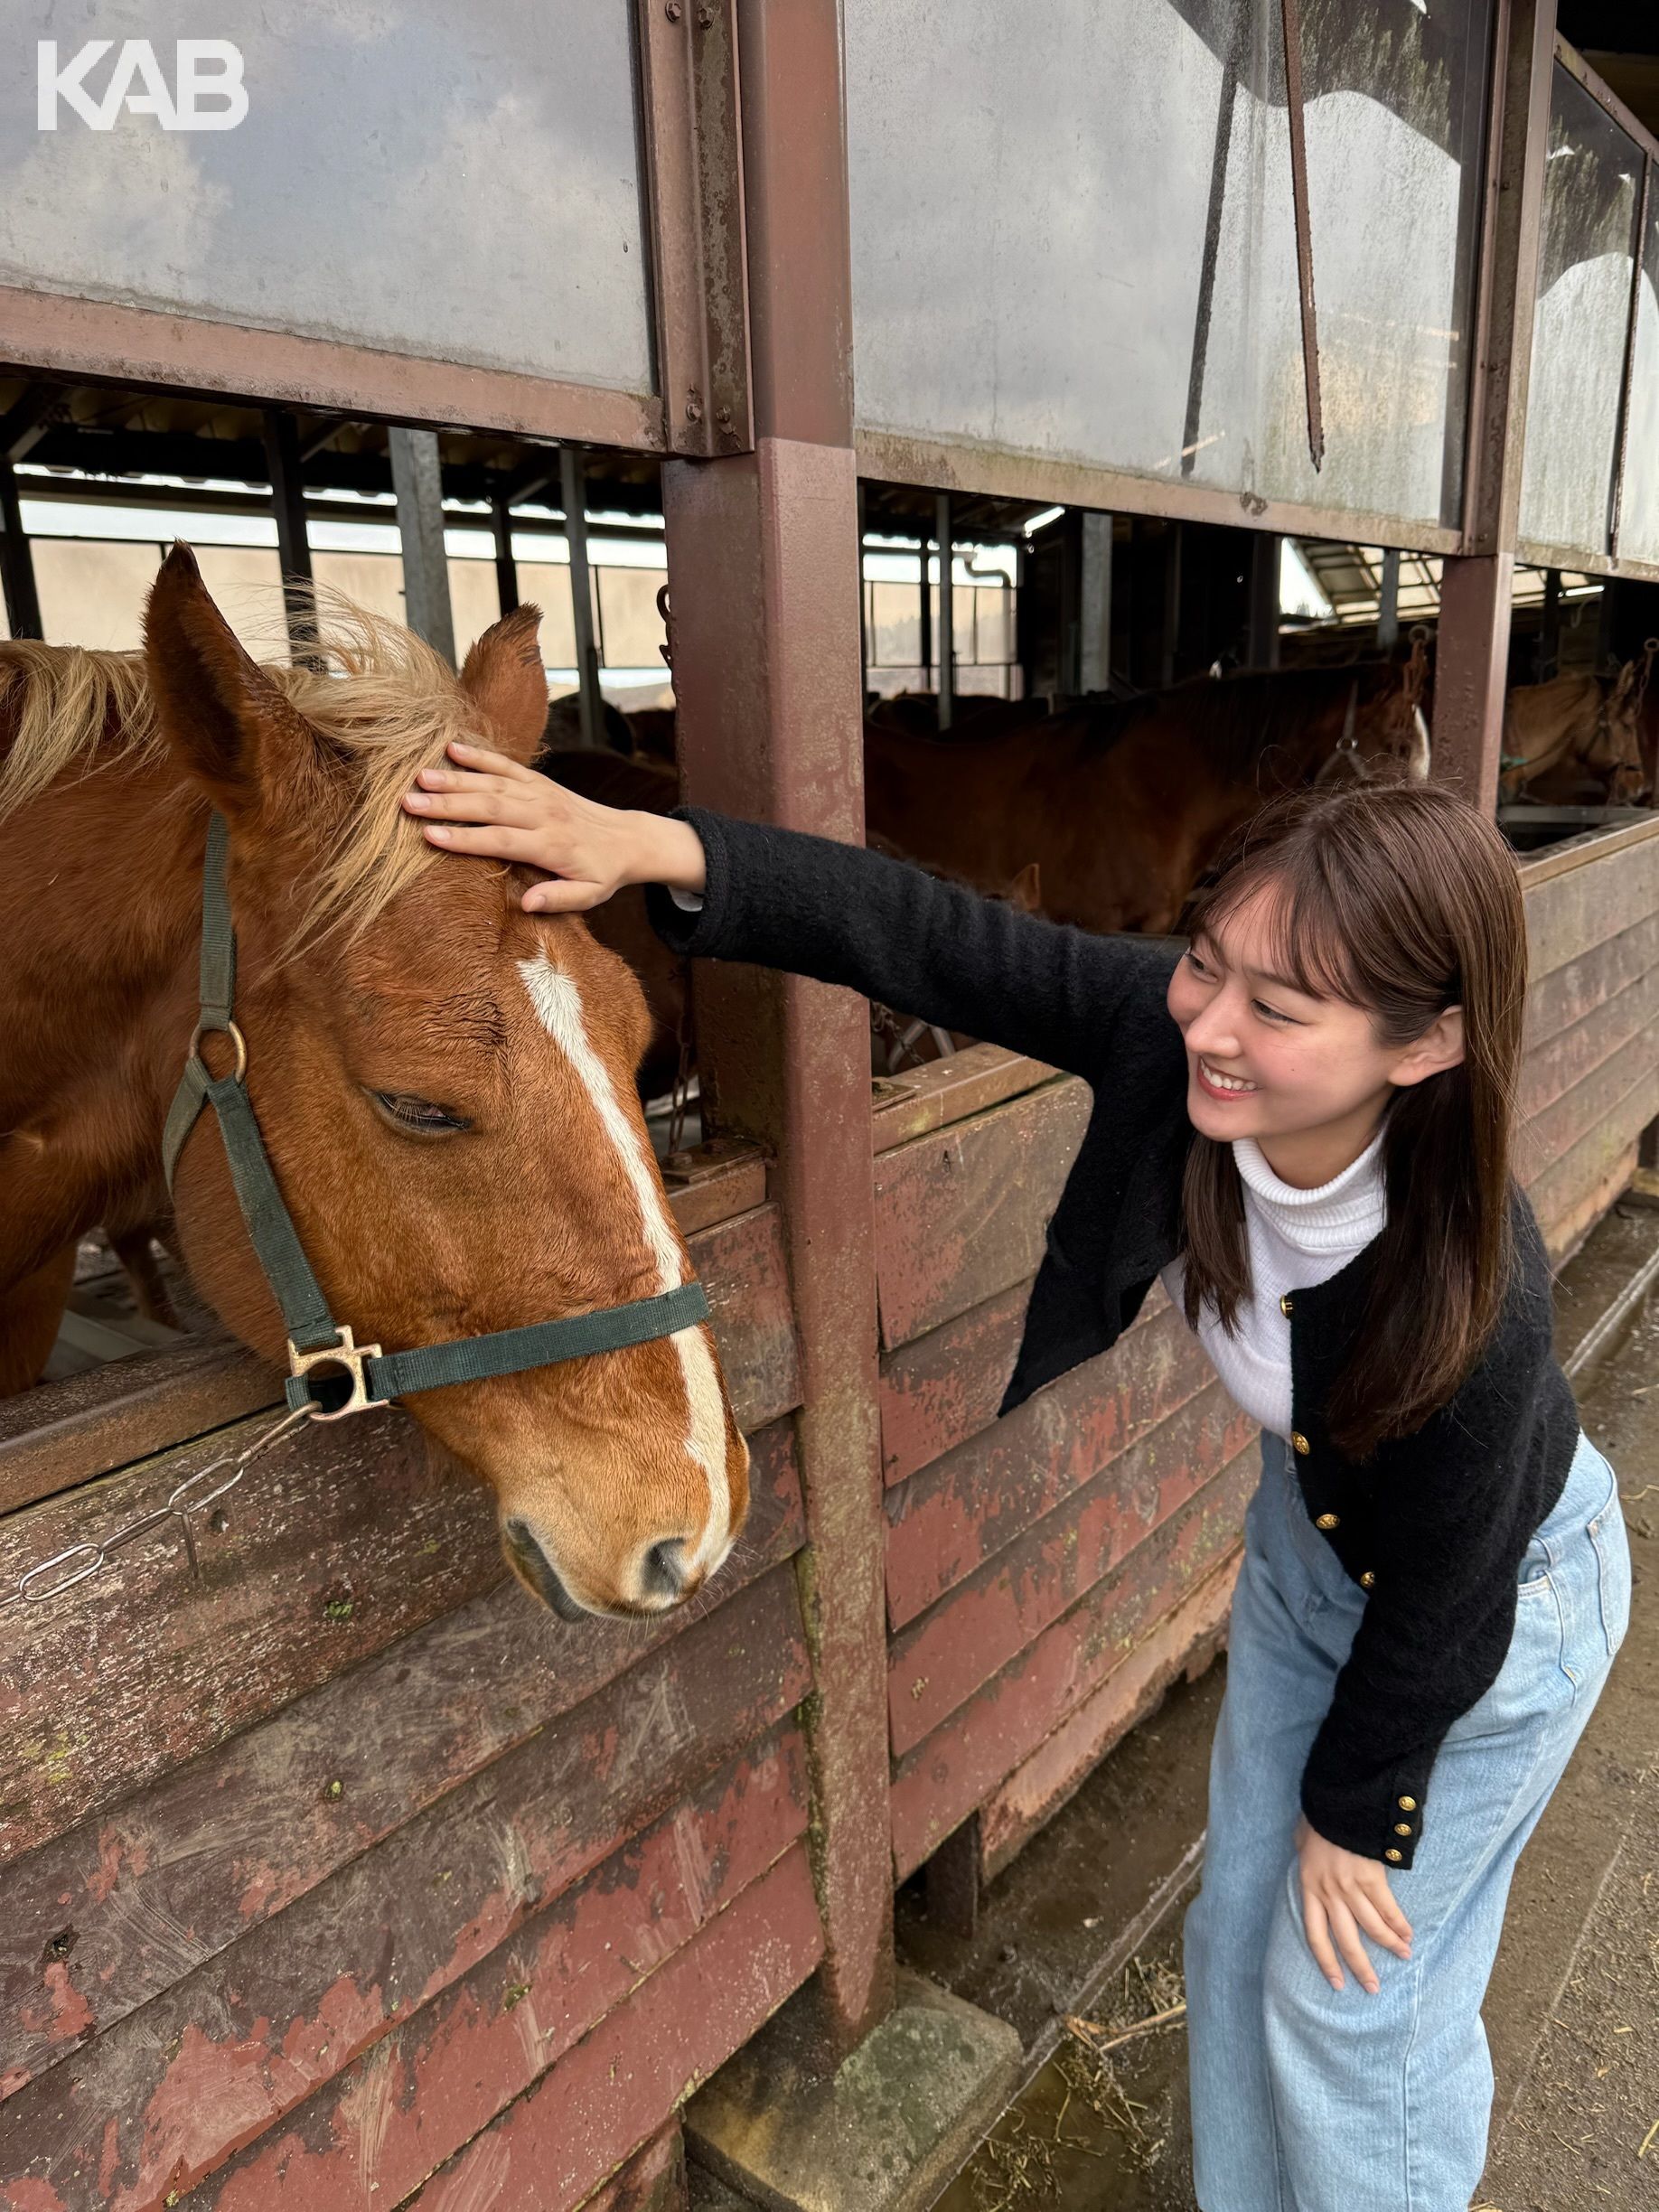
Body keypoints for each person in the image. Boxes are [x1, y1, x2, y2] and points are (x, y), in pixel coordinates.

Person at [402, 738, 1633, 2212]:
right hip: (1313, 1566)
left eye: (1280, 1007)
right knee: (1233, 1936)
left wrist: (1358, 1813)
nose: (1212, 1028)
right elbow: (939, 940)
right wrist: (660, 850)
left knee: (1351, 2000)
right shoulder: (1176, 1048)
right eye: (1205, 964)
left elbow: (1449, 1591)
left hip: (1492, 1618)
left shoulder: (1473, 1304)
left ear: (1423, 1046)